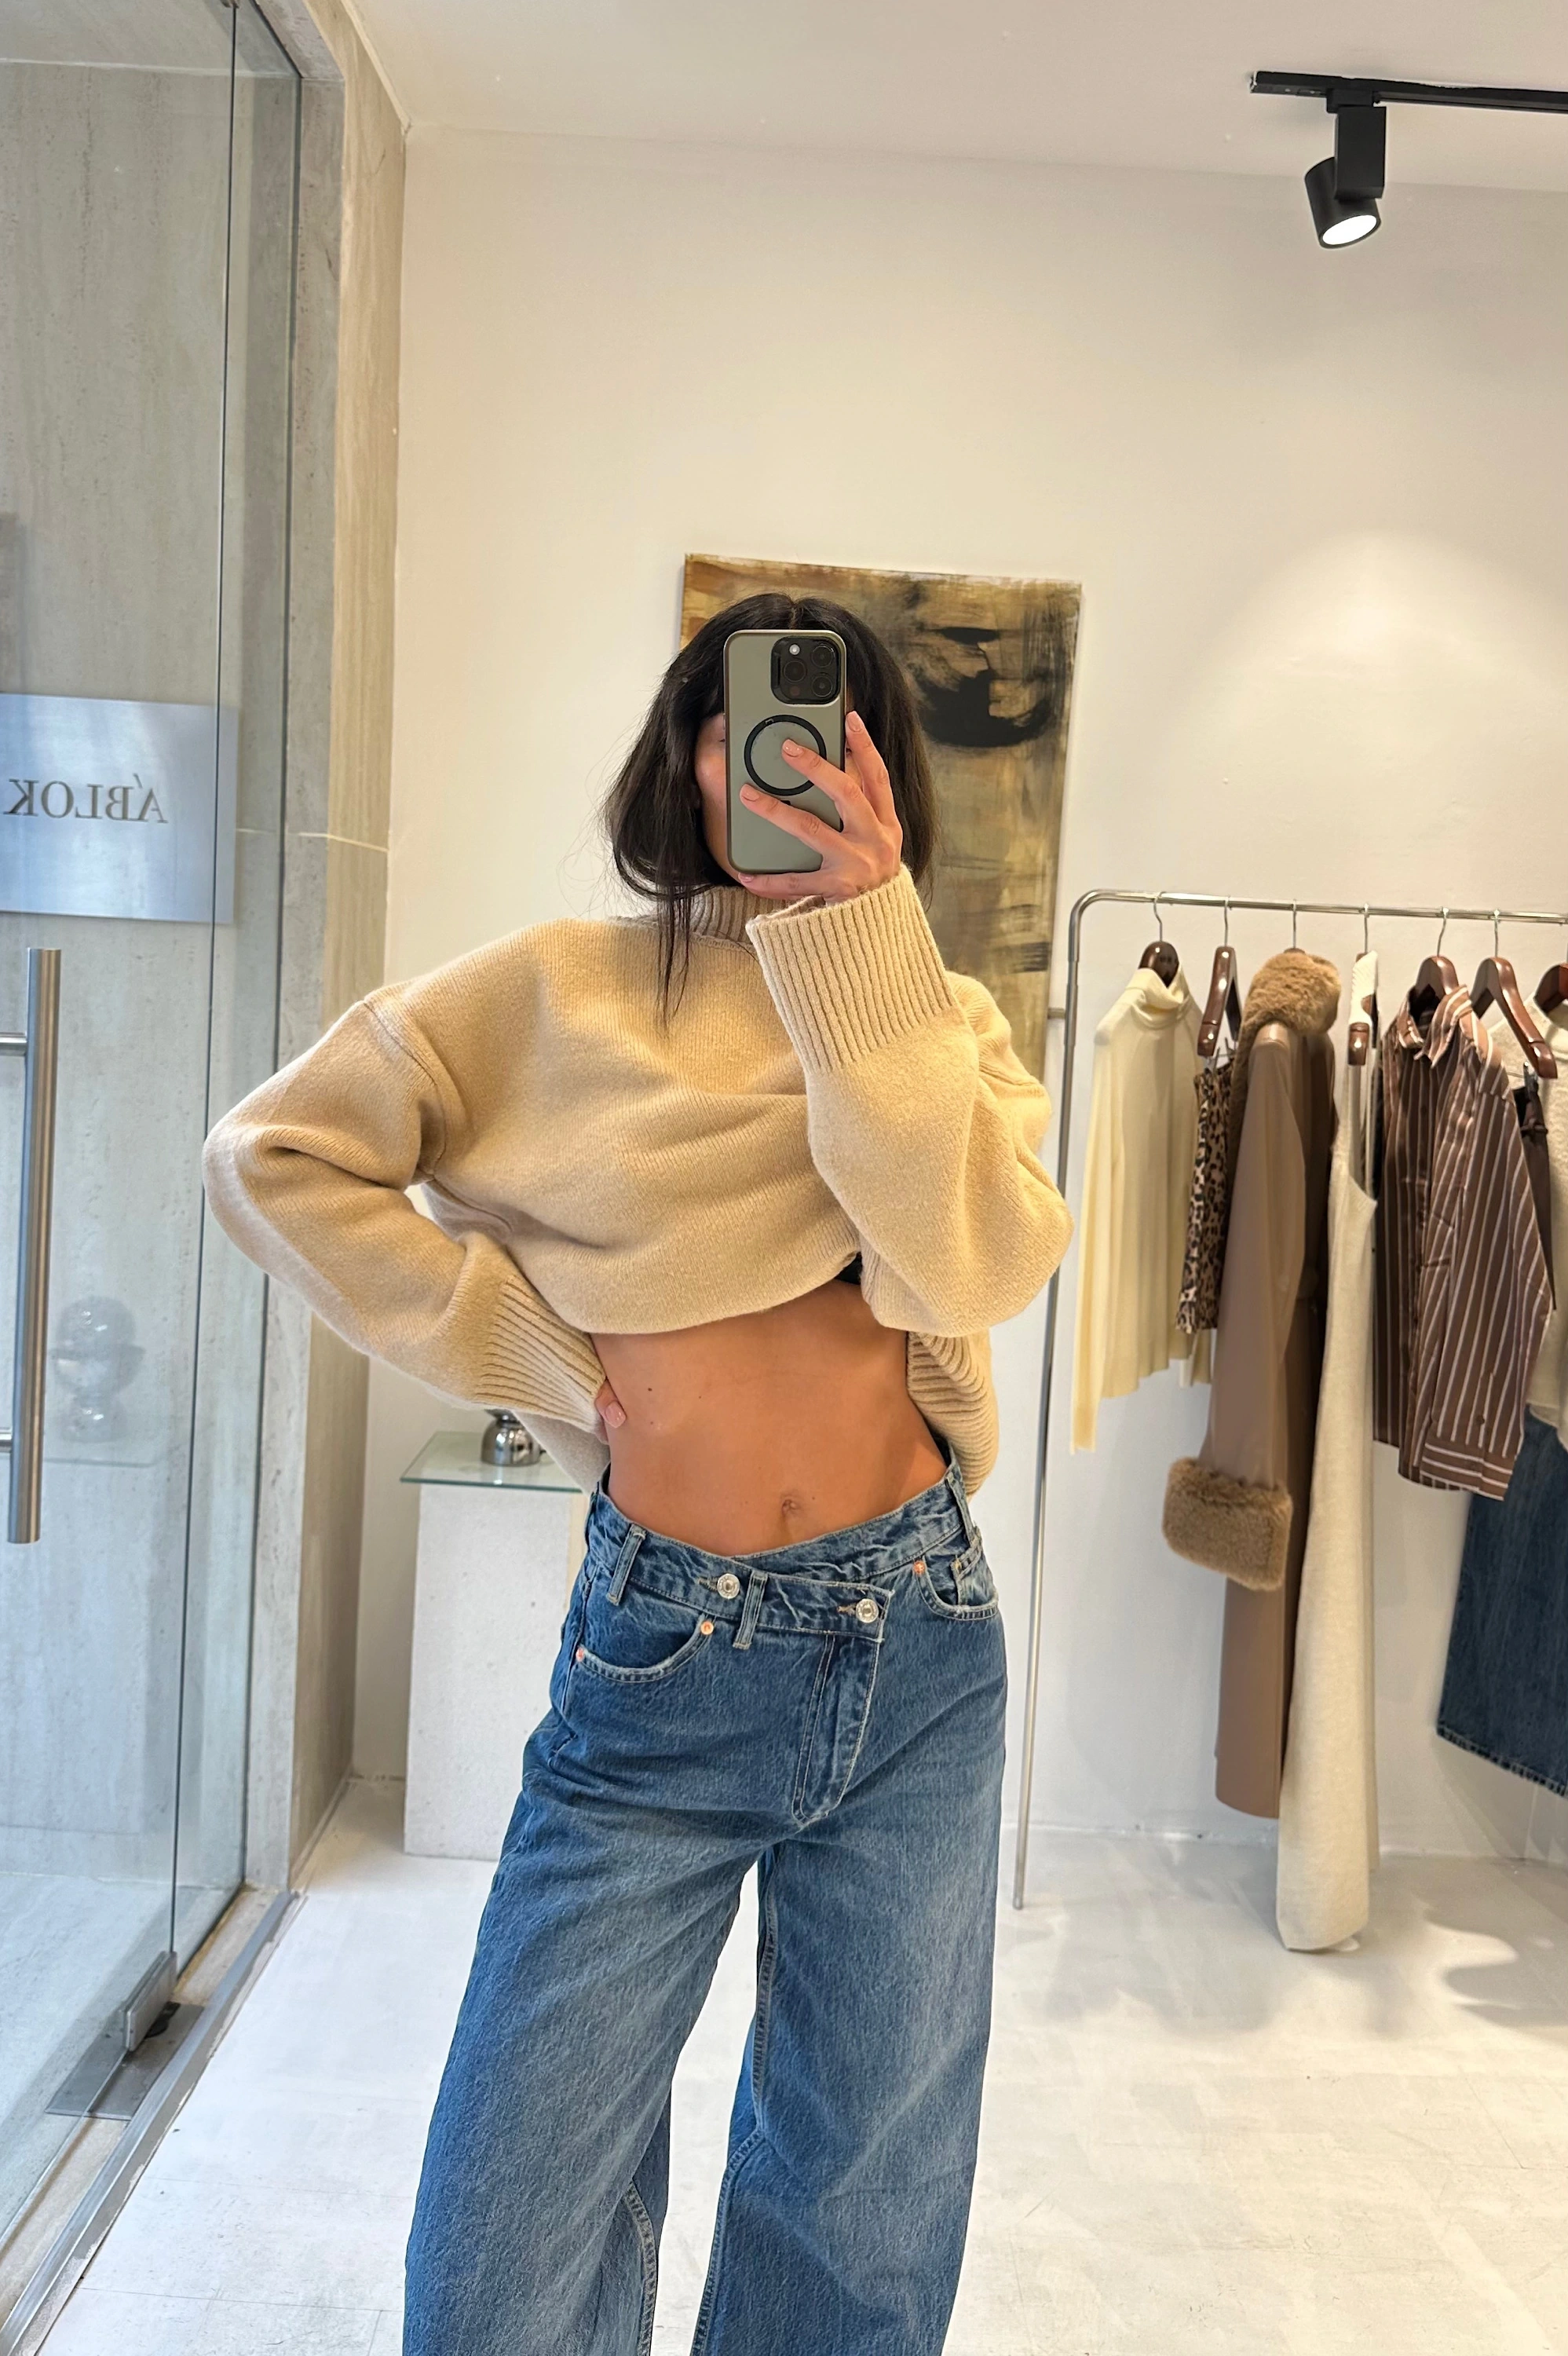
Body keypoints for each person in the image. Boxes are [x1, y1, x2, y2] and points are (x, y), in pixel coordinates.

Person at [202, 592, 1073, 2356]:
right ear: (687, 755)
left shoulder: (941, 1018)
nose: (791, 770)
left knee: (860, 2203)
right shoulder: (553, 993)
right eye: (752, 732)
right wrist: (520, 1353)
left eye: (831, 738)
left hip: (921, 1642)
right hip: (665, 1654)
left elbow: (965, 1265)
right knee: (510, 2234)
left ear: (884, 776)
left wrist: (860, 946)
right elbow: (270, 1155)